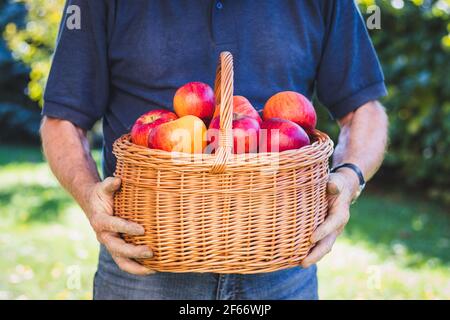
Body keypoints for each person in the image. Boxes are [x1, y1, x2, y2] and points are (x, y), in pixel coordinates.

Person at [40, 0, 388, 300]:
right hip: (144, 260)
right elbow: (63, 119)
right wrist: (90, 197)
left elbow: (364, 110)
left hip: (282, 263)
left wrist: (349, 178)